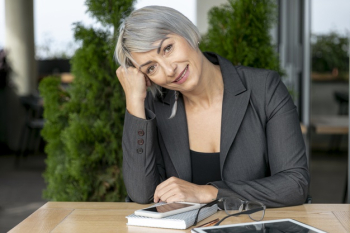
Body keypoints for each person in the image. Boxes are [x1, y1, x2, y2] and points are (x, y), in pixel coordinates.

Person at [115, 6, 309, 207]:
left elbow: (295, 185)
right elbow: (142, 193)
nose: (169, 69)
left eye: (167, 48)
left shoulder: (264, 88)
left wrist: (209, 192)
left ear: (186, 32)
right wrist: (134, 101)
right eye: (152, 68)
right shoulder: (155, 107)